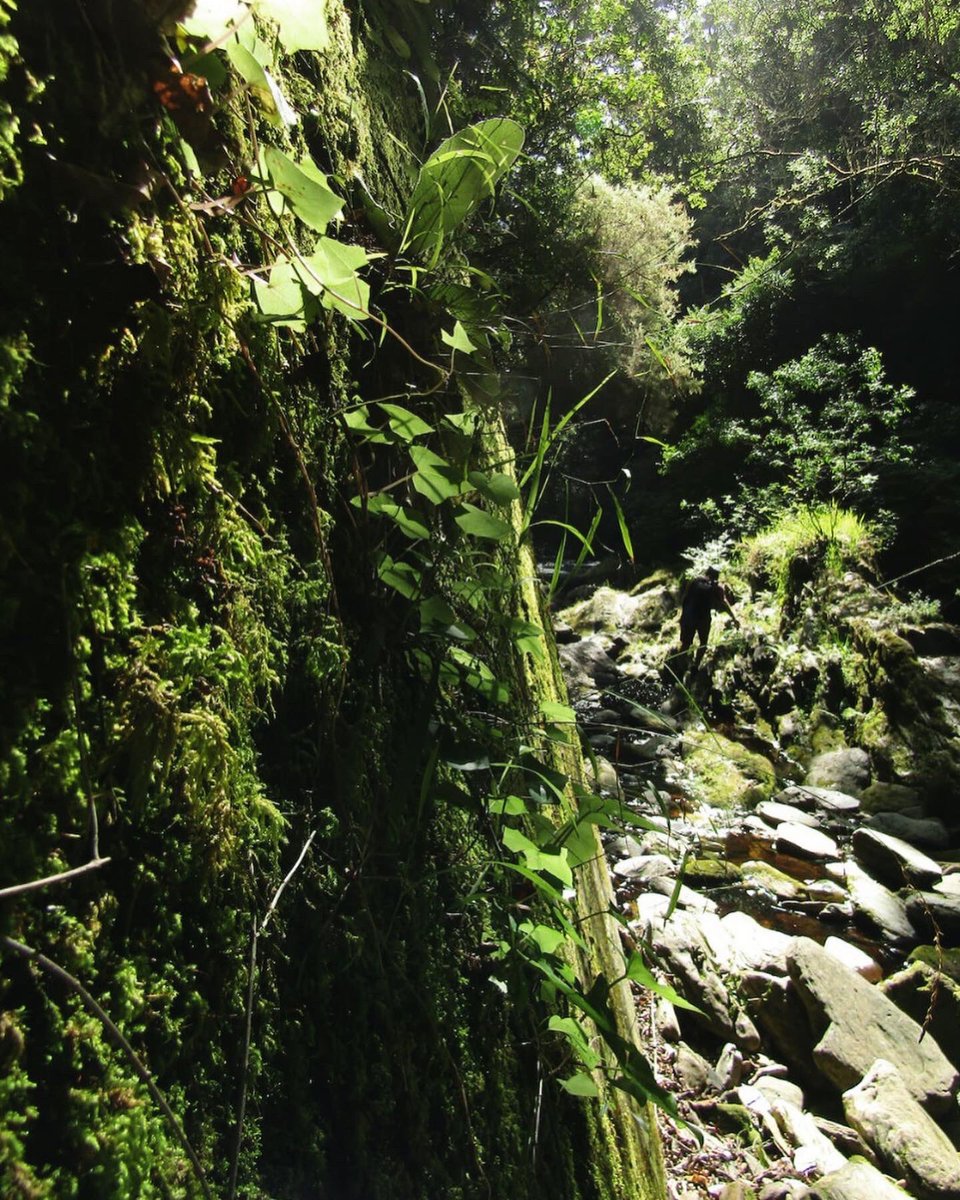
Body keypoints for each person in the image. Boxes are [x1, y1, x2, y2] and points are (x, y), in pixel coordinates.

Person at [677, 566, 740, 672]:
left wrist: (682, 616)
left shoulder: (695, 581)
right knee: (703, 643)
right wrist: (734, 618)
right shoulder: (717, 587)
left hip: (689, 617)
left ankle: (679, 669)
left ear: (706, 573)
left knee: (685, 644)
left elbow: (685, 598)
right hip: (703, 618)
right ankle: (695, 667)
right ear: (716, 576)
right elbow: (724, 604)